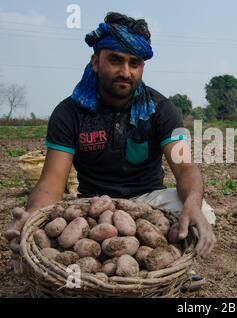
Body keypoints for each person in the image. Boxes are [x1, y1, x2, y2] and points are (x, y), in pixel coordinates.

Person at [5, 12, 216, 289]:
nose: (125, 72)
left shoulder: (161, 110)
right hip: (89, 207)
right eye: (115, 60)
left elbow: (185, 167)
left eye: (134, 63)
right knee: (44, 226)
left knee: (201, 210)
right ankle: (71, 277)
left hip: (148, 201)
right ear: (96, 62)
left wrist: (192, 204)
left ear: (142, 67)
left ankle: (172, 267)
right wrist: (33, 215)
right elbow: (51, 184)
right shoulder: (69, 113)